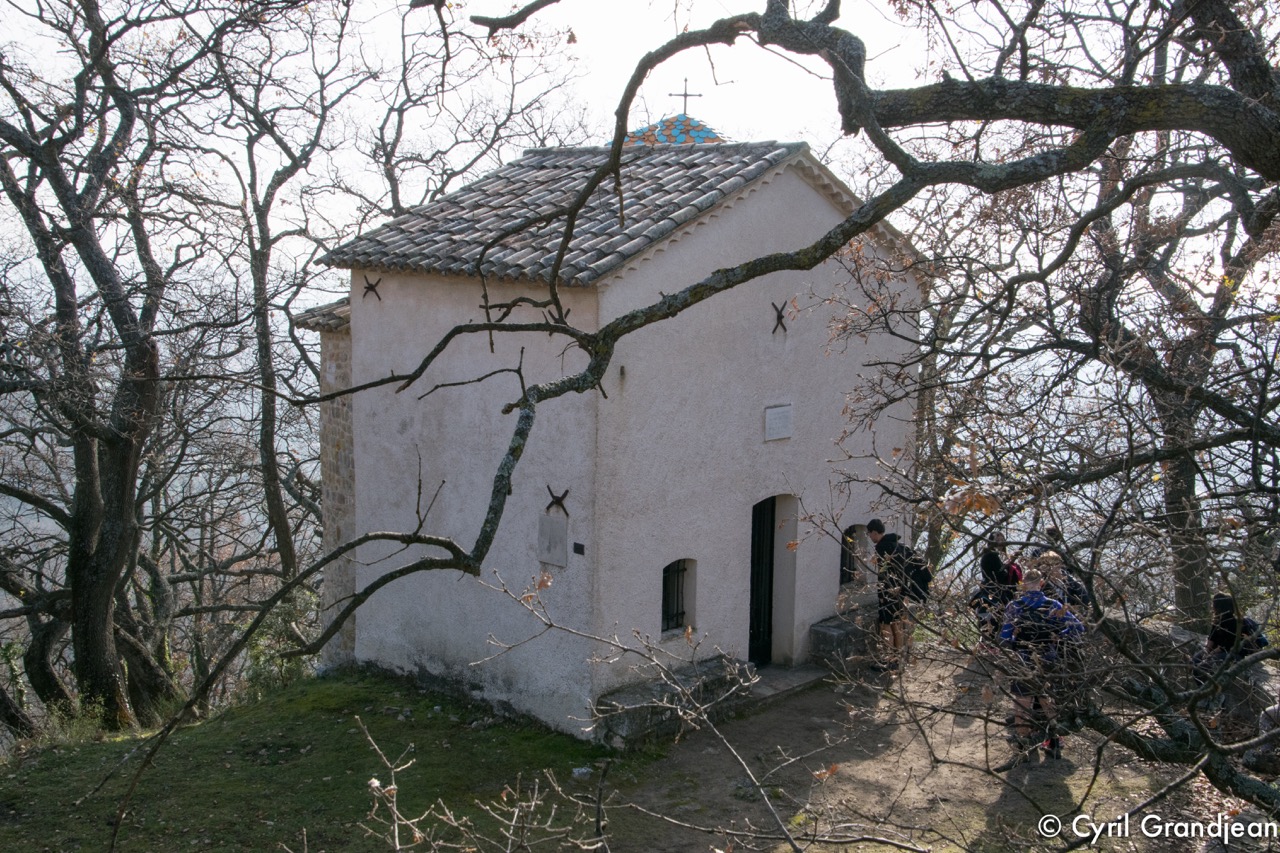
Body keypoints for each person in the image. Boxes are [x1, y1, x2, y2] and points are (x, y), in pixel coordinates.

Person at [999, 569, 1085, 761]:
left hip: (1023, 658)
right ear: (1042, 583)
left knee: (1022, 703)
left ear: (1023, 584)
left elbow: (1004, 637)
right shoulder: (1053, 605)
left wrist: (1013, 643)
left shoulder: (1015, 606)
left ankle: (1024, 744)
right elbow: (1078, 627)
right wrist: (1058, 636)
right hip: (1048, 658)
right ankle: (1054, 741)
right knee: (1048, 700)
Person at [867, 518, 908, 670]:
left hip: (887, 591)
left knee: (886, 625)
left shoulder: (882, 547)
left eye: (869, 534)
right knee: (896, 624)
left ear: (875, 532)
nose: (870, 537)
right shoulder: (897, 544)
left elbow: (883, 571)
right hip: (899, 590)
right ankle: (898, 659)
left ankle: (889, 660)